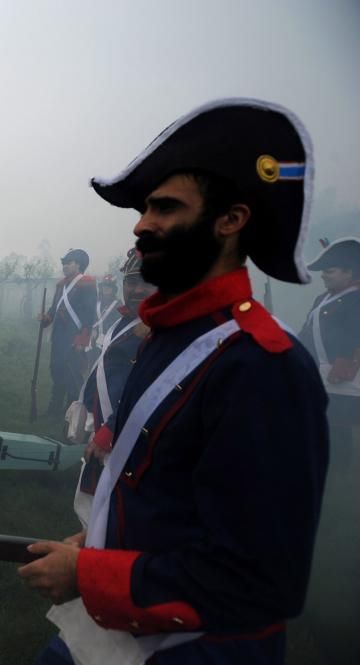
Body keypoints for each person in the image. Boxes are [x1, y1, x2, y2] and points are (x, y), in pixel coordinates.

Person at [20, 99, 328, 665]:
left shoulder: (263, 365)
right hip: (120, 629)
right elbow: (166, 493)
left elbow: (258, 580)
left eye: (164, 207)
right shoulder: (168, 337)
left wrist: (93, 573)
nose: (141, 224)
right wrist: (97, 545)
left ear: (230, 220)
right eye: (143, 209)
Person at [70, 249, 155, 524]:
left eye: (146, 282)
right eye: (131, 282)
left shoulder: (157, 331)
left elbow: (147, 391)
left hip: (127, 436)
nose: (137, 289)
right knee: (93, 507)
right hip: (110, 425)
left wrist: (108, 431)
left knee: (112, 513)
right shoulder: (125, 322)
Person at [299, 237, 359, 475]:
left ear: (349, 273)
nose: (323, 276)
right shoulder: (320, 300)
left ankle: (343, 476)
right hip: (320, 376)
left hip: (346, 378)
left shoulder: (357, 299)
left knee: (341, 429)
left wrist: (352, 357)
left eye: (330, 271)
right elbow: (306, 333)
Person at [41, 249, 97, 417]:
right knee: (56, 369)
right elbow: (55, 308)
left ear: (78, 264)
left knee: (72, 374)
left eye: (69, 262)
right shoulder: (61, 285)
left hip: (75, 336)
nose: (65, 266)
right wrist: (46, 318)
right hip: (59, 335)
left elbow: (89, 314)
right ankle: (55, 408)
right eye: (64, 263)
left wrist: (82, 340)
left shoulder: (87, 284)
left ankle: (71, 413)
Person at [89, 274, 122, 362]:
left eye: (109, 286)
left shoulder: (118, 304)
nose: (106, 288)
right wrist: (93, 329)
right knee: (92, 366)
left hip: (109, 341)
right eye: (104, 285)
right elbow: (92, 318)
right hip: (94, 339)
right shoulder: (97, 301)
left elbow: (118, 323)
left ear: (113, 289)